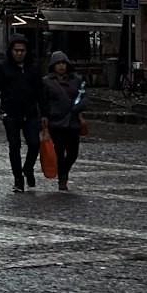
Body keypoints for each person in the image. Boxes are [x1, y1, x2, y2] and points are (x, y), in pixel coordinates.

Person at [0, 34, 44, 192]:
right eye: (16, 50)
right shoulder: (2, 67)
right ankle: (18, 179)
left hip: (30, 112)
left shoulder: (34, 67)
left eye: (22, 50)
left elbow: (40, 92)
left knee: (34, 143)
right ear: (11, 51)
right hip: (10, 112)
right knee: (14, 145)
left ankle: (28, 168)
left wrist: (44, 113)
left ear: (26, 51)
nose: (19, 53)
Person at [42, 51, 86, 191]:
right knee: (59, 152)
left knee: (73, 152)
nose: (61, 66)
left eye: (63, 63)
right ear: (53, 66)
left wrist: (79, 106)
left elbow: (84, 96)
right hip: (56, 122)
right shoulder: (46, 82)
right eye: (58, 64)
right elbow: (43, 101)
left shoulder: (77, 80)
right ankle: (63, 177)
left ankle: (64, 171)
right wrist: (43, 118)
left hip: (73, 122)